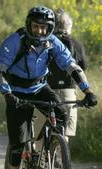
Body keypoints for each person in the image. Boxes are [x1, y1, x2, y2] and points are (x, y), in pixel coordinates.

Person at [0, 6, 97, 169]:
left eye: (43, 27)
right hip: (17, 91)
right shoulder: (13, 42)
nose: (39, 31)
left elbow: (71, 66)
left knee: (61, 114)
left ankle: (51, 146)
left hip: (40, 88)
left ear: (50, 28)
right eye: (35, 26)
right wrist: (7, 93)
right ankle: (23, 151)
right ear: (29, 25)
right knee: (17, 146)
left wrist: (87, 91)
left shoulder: (53, 42)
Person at [47, 8, 87, 141]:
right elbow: (83, 67)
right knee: (64, 132)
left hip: (46, 90)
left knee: (40, 128)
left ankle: (39, 158)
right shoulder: (76, 43)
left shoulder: (46, 41)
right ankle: (60, 157)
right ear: (68, 25)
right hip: (68, 91)